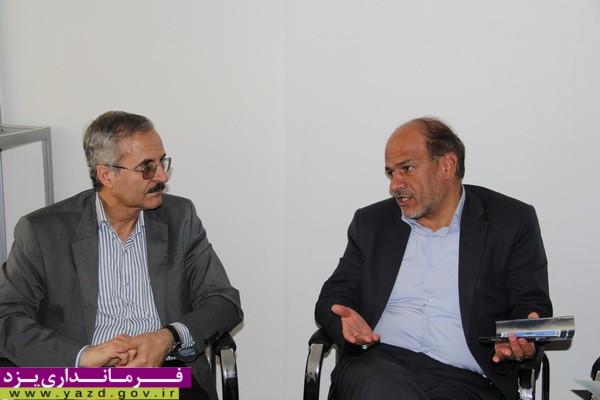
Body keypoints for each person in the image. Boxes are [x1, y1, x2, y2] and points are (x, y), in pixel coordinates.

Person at [0, 111, 243, 400]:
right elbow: (6, 317)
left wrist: (168, 338)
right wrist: (82, 356)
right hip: (79, 381)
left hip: (164, 375)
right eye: (146, 167)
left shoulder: (180, 218)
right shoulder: (43, 231)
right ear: (106, 175)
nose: (162, 176)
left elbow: (224, 301)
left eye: (162, 162)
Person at [315, 117, 552, 400]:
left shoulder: (511, 222)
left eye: (407, 168)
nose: (395, 185)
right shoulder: (371, 223)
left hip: (464, 381)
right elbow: (335, 295)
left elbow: (530, 308)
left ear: (447, 166)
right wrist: (342, 322)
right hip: (377, 365)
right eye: (391, 173)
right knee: (381, 386)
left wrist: (522, 340)